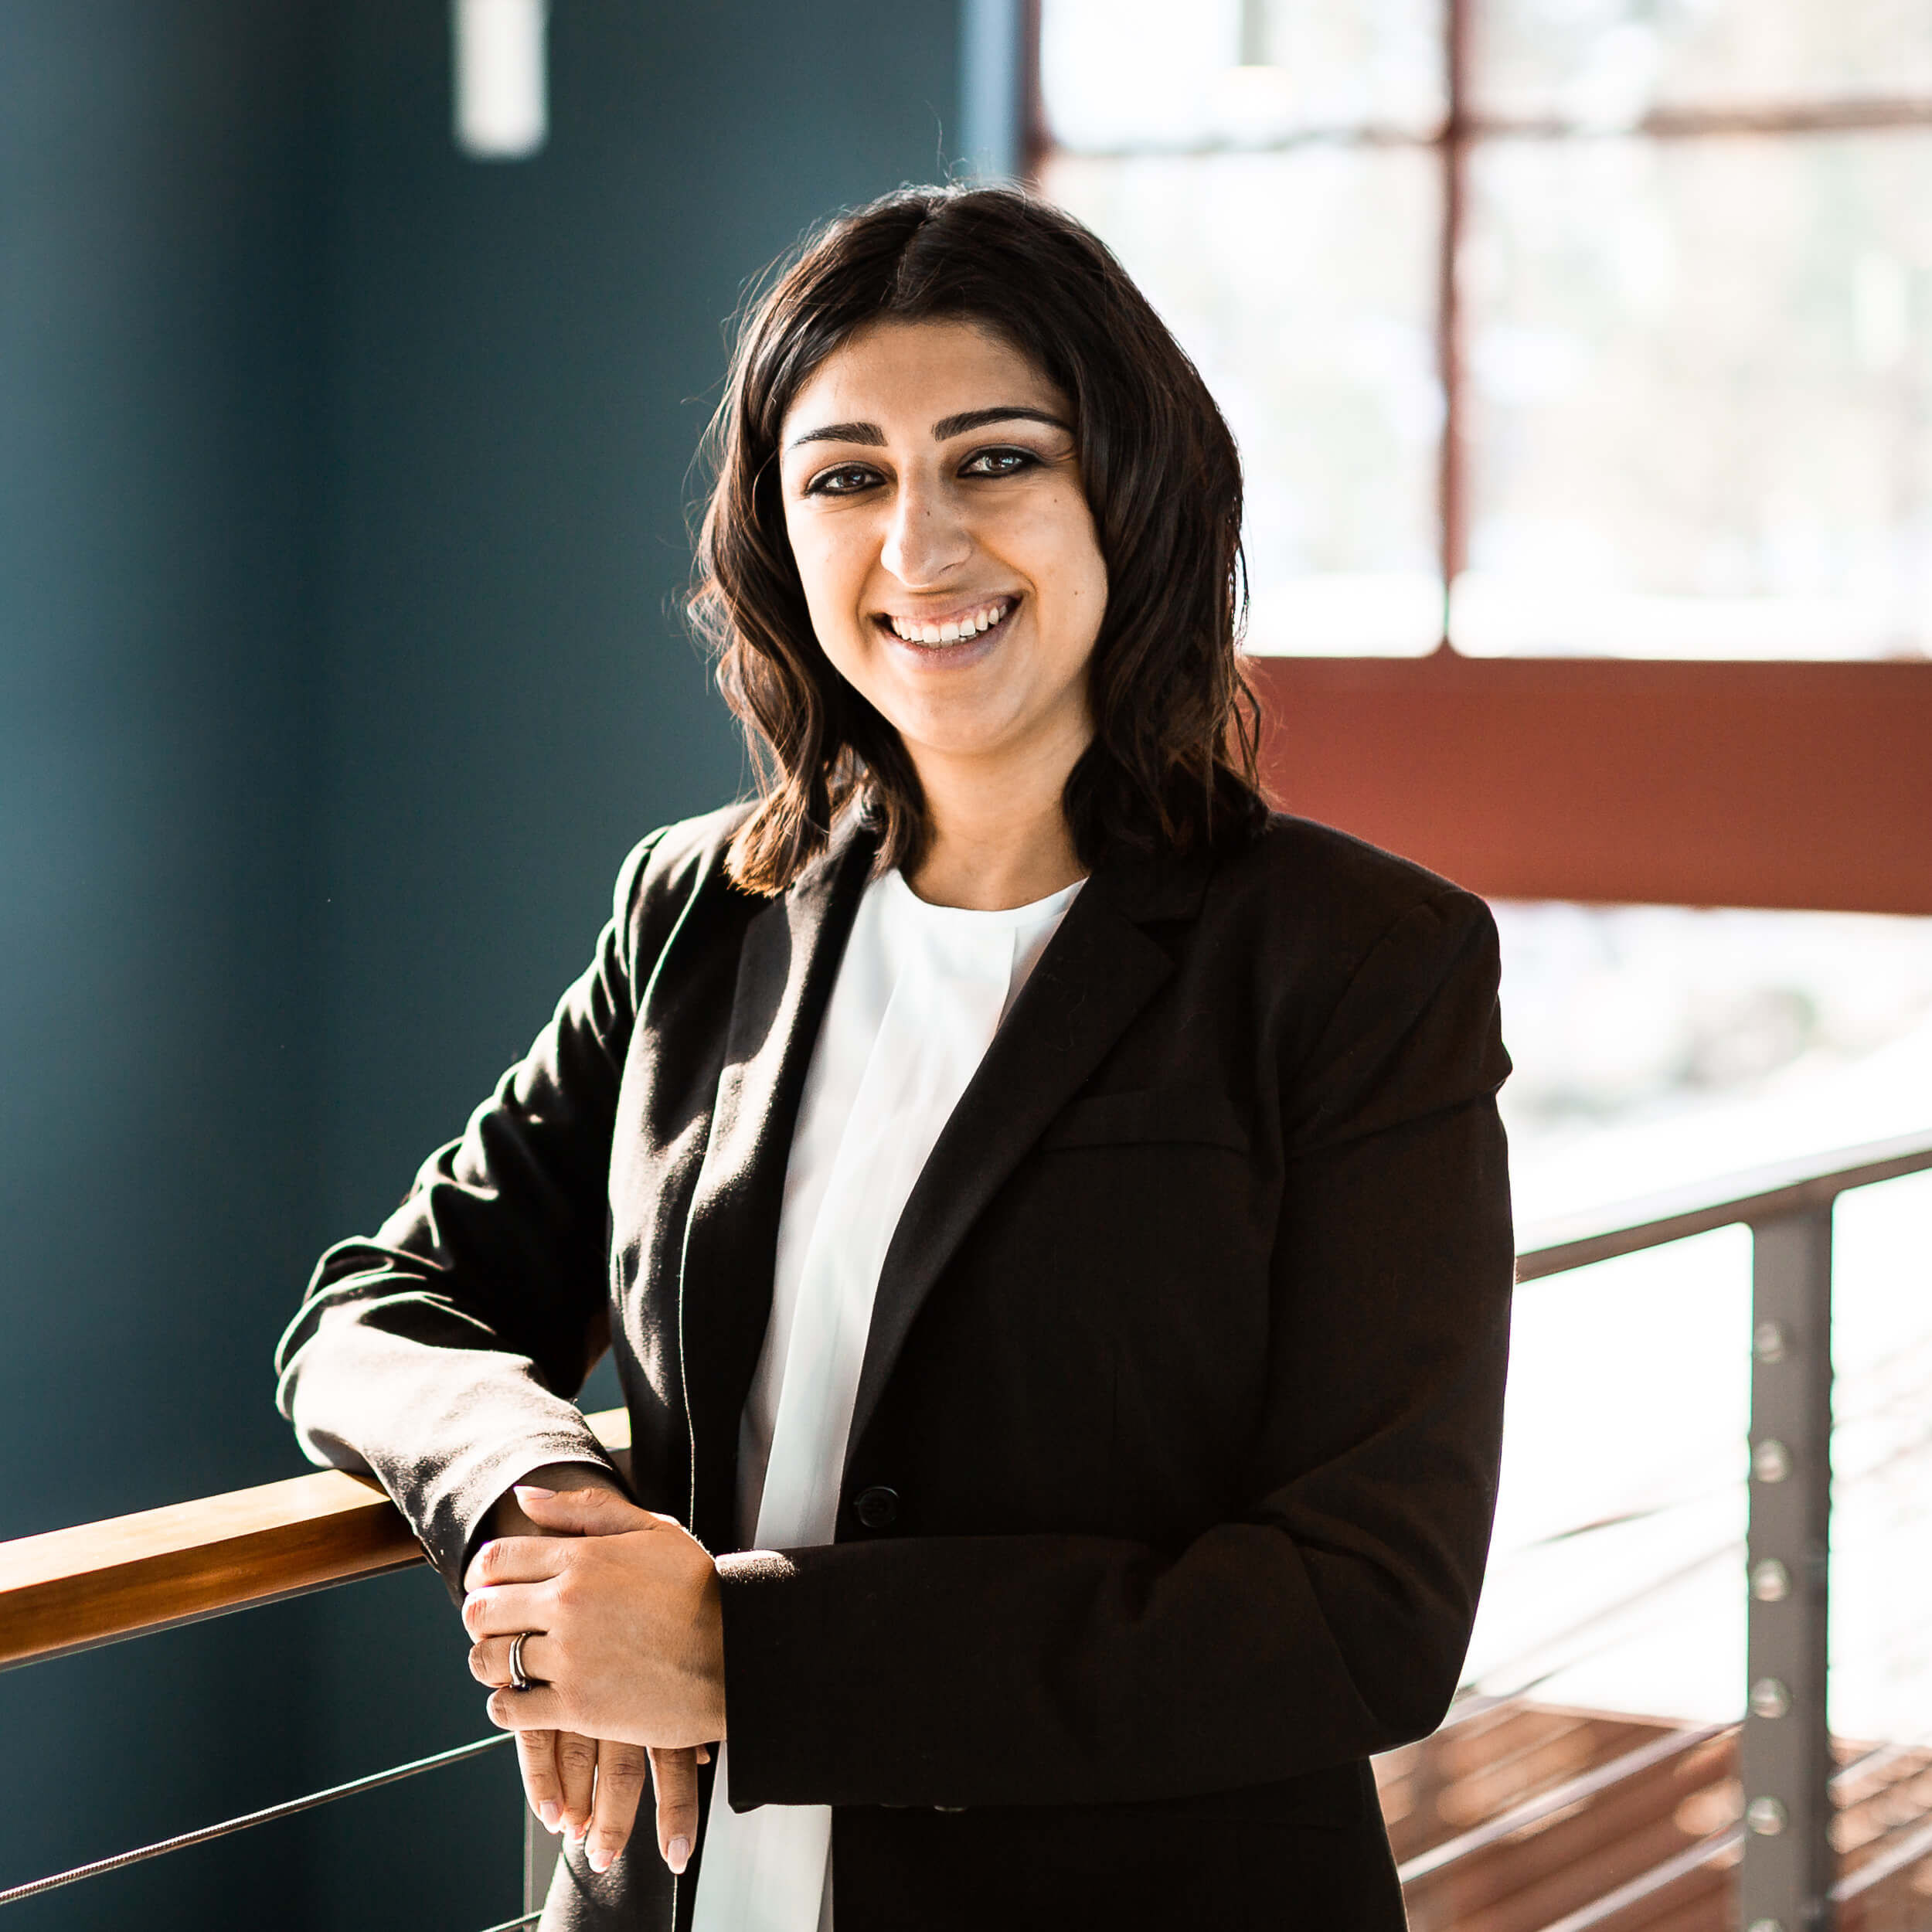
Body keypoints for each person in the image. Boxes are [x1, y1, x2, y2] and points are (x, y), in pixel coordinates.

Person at [275, 183, 1514, 1932]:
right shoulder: (699, 909)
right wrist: (539, 1501)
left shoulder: (1355, 962)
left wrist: (738, 1650)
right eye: (846, 476)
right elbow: (378, 1310)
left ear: (1128, 493)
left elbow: (1361, 1606)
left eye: (993, 460)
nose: (916, 546)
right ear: (778, 538)